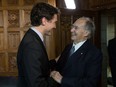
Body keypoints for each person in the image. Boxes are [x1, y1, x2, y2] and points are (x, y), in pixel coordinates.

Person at [50, 17, 103, 87]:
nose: (71, 30)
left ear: (86, 33)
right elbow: (59, 66)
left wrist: (62, 80)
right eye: (72, 27)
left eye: (76, 28)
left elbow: (90, 83)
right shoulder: (68, 47)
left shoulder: (94, 53)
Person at [17, 2, 59, 87]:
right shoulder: (32, 45)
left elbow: (39, 65)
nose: (55, 26)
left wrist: (55, 61)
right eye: (54, 22)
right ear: (44, 21)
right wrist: (55, 79)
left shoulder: (33, 37)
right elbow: (37, 84)